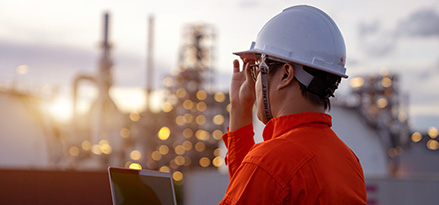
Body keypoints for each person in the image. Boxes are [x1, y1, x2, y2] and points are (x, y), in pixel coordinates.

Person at [220, 5, 367, 204]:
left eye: (257, 71)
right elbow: (251, 185)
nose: (253, 83)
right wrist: (240, 106)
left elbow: (260, 177)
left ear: (286, 74)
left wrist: (239, 108)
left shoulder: (269, 164)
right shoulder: (349, 162)